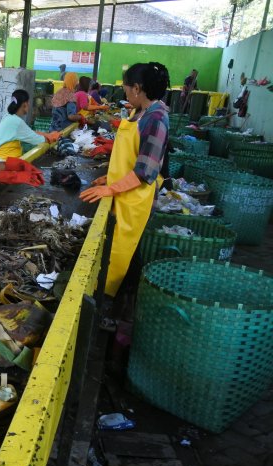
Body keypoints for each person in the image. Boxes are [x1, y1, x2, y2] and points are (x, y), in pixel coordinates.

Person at [80, 62, 170, 300]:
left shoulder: (156, 118)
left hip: (133, 200)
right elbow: (130, 156)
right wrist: (109, 177)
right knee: (113, 253)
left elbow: (144, 171)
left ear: (138, 88)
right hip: (121, 193)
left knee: (120, 256)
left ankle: (108, 308)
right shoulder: (139, 112)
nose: (126, 92)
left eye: (127, 88)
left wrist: (112, 187)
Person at [0, 89, 60, 160]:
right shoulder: (17, 122)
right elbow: (37, 140)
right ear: (25, 104)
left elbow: (30, 132)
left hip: (1, 159)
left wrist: (48, 135)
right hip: (6, 162)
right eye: (28, 103)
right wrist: (52, 138)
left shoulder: (7, 116)